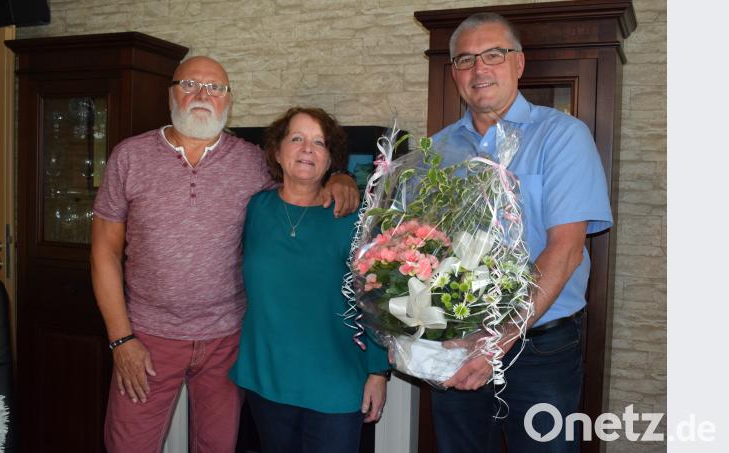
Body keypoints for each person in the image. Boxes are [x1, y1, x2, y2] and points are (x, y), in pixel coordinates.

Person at [90, 57, 359, 453]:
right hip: (148, 337)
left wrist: (341, 176)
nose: (202, 95)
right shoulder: (129, 157)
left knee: (217, 446)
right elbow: (104, 252)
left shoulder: (252, 161)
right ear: (171, 93)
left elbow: (304, 177)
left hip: (227, 340)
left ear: (228, 100)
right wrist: (121, 340)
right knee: (127, 445)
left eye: (215, 88)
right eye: (190, 84)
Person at [429, 13, 613, 452]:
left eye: (494, 54)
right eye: (466, 59)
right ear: (454, 73)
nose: (480, 69)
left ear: (519, 64)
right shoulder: (437, 150)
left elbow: (565, 251)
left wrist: (499, 339)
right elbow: (423, 246)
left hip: (539, 350)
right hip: (457, 341)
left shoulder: (562, 137)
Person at [229, 107, 391, 453]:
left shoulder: (353, 220)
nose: (307, 149)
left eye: (319, 143)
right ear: (276, 150)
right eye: (297, 138)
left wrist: (378, 372)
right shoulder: (254, 209)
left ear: (331, 158)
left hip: (336, 379)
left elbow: (375, 299)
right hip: (267, 378)